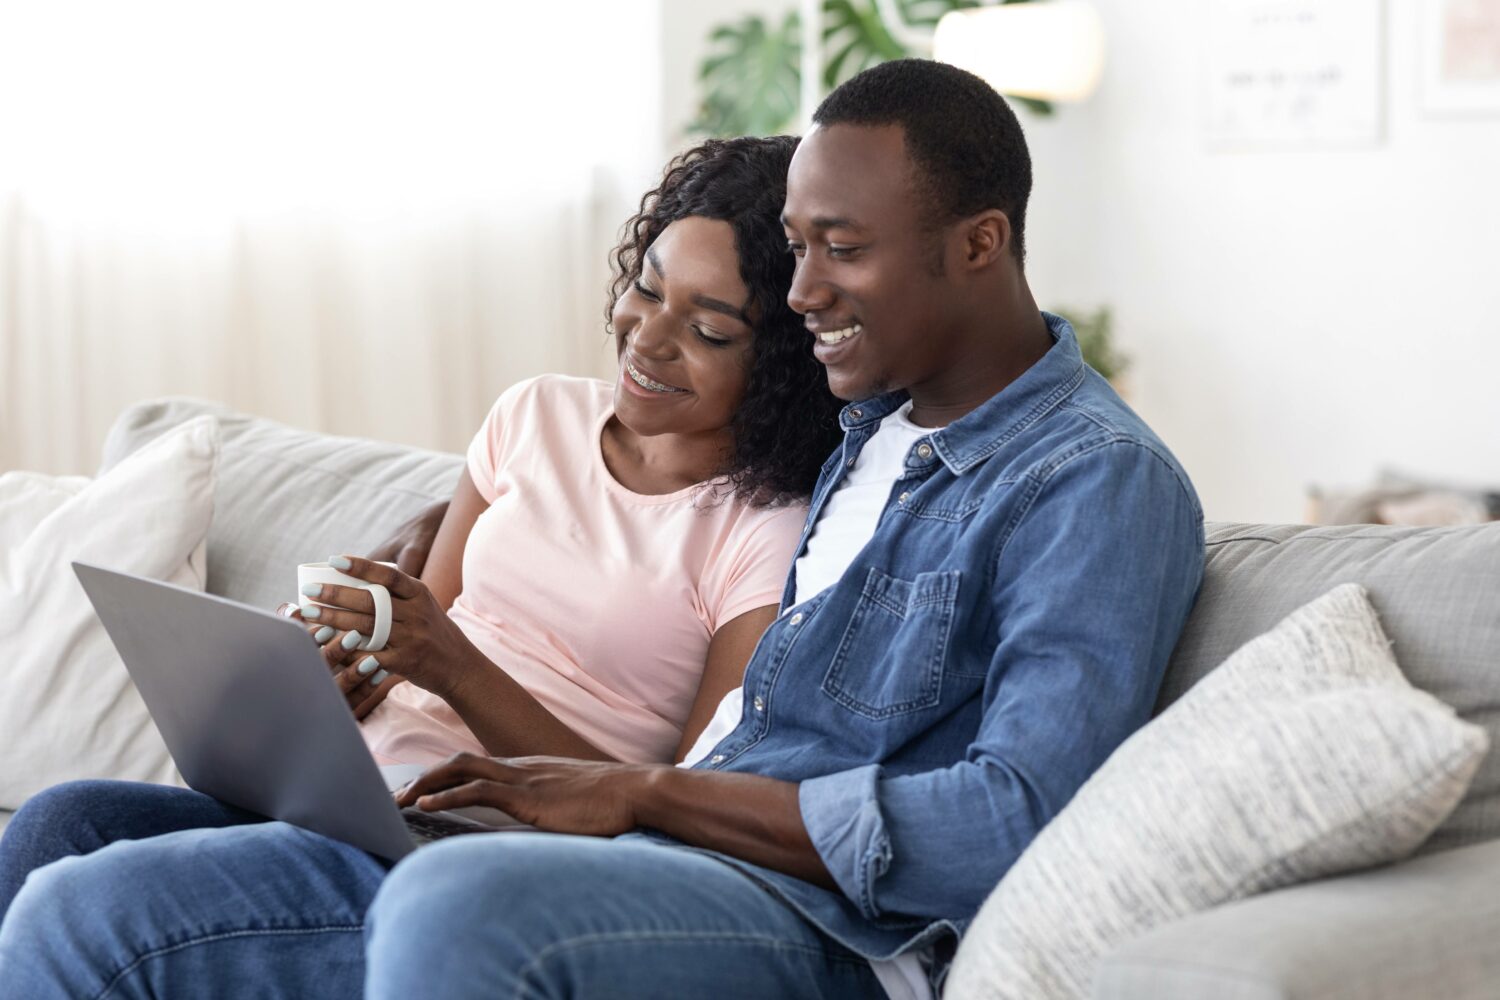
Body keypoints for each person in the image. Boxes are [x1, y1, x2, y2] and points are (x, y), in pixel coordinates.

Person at [0, 60, 1205, 1000]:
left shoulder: (1094, 483)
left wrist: (645, 793)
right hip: (663, 865)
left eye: (842, 251)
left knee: (444, 901)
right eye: (796, 250)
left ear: (981, 243)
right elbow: (635, 483)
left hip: (822, 925)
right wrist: (428, 551)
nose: (800, 295)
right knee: (72, 849)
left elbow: (1015, 816)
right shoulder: (869, 427)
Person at [0, 135, 841, 900]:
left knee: (91, 897)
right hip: (351, 793)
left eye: (705, 330)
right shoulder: (533, 415)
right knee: (57, 821)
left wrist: (451, 664)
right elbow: (408, 643)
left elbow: (683, 807)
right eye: (647, 290)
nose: (647, 338)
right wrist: (332, 679)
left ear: (777, 364)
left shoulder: (763, 531)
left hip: (473, 847)